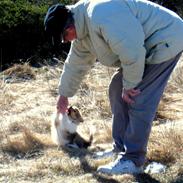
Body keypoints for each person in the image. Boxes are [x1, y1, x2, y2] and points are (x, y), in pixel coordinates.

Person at [44, 0, 183, 174]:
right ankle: (120, 149)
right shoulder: (82, 30)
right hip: (144, 48)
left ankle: (133, 160)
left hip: (167, 39)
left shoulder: (102, 14)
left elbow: (132, 50)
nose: (65, 42)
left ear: (69, 28)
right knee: (117, 89)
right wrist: (64, 95)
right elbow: (76, 64)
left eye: (63, 38)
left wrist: (130, 84)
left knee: (138, 97)